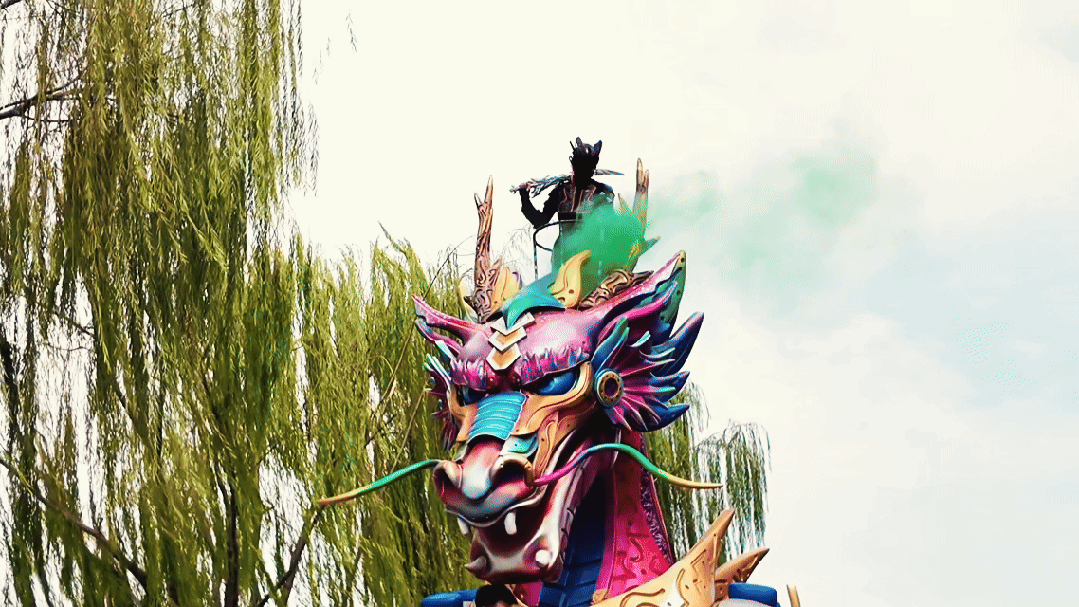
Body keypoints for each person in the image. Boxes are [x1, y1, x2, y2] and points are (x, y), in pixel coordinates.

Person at [519, 138, 615, 235]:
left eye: (586, 168)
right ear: (574, 167)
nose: (583, 174)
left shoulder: (602, 192)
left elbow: (610, 227)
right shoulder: (561, 192)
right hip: (565, 244)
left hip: (592, 243)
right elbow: (539, 221)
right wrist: (524, 196)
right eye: (580, 167)